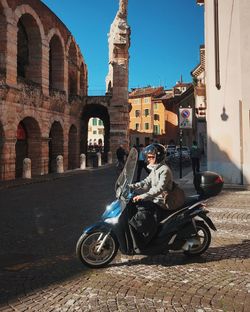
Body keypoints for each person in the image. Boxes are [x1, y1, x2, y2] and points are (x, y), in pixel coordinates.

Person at [128, 143, 174, 247]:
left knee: (143, 214)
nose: (148, 159)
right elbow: (146, 181)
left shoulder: (164, 170)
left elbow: (159, 189)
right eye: (148, 157)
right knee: (136, 207)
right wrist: (131, 186)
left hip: (162, 201)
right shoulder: (155, 168)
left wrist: (142, 196)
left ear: (158, 157)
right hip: (155, 199)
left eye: (151, 157)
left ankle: (148, 240)